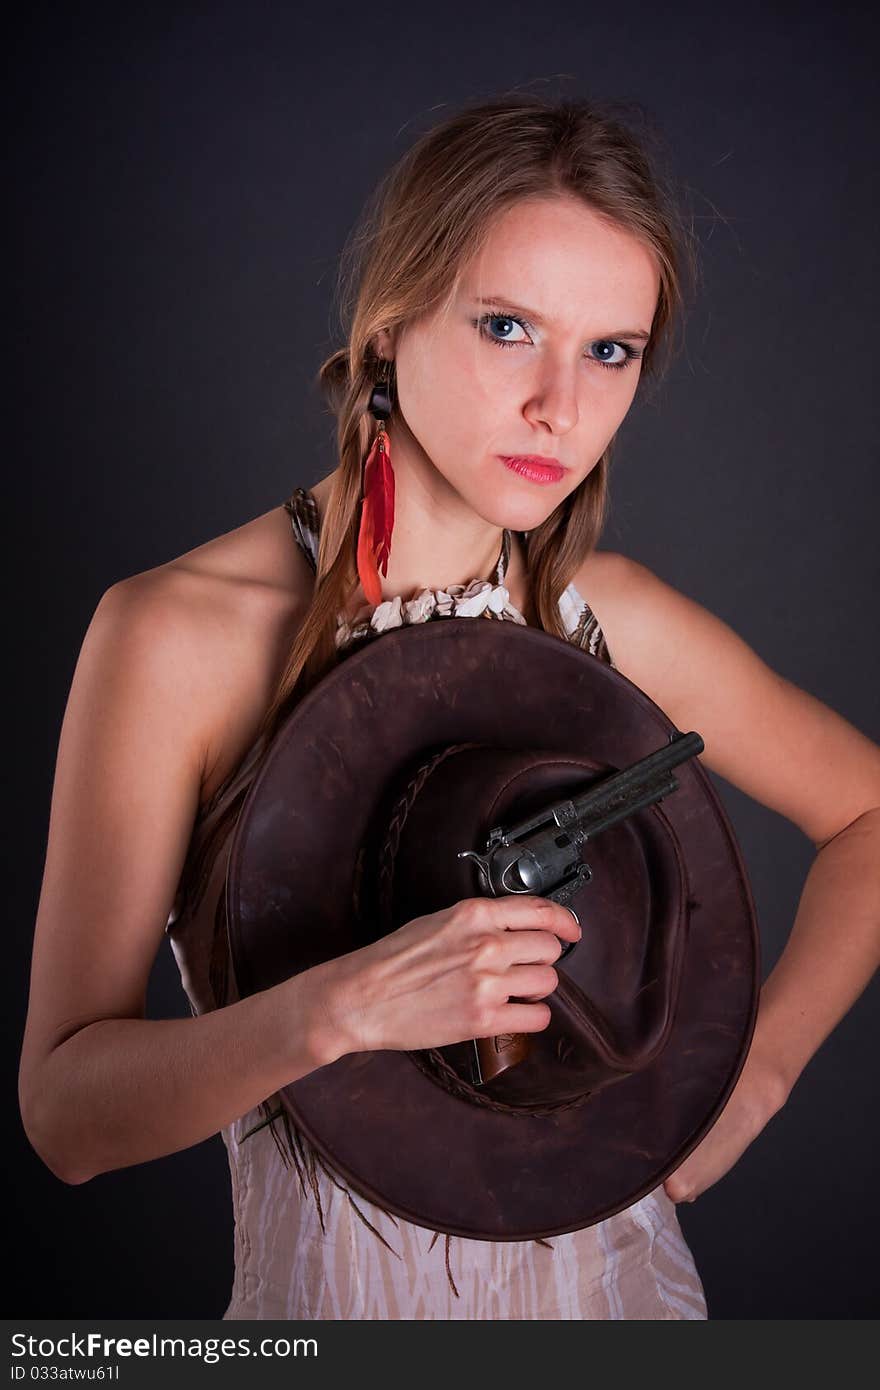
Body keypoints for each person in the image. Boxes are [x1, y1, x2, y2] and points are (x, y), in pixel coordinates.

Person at [19, 94, 880, 1320]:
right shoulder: (177, 635)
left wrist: (758, 1076)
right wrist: (335, 1008)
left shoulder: (606, 620)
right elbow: (65, 1117)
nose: (558, 406)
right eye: (506, 326)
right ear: (387, 325)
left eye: (609, 350)